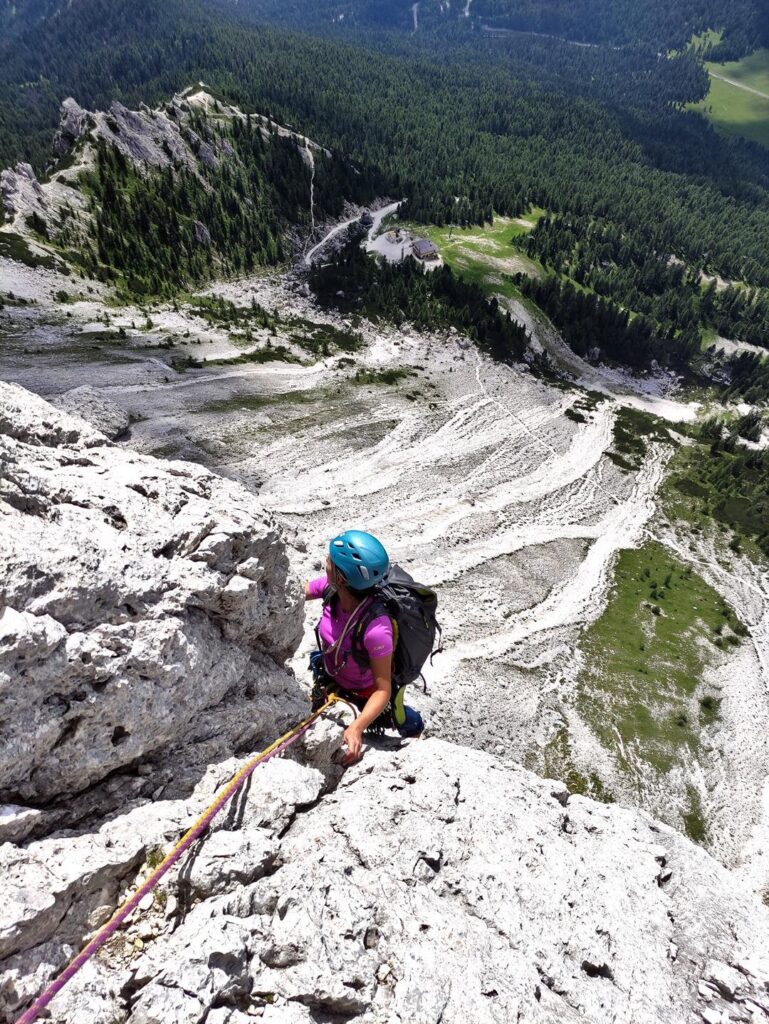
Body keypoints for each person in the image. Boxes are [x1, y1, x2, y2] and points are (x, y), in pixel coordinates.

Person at [306, 530, 424, 765]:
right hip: (331, 676)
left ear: (341, 577)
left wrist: (357, 728)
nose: (325, 563)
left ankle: (417, 739)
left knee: (408, 721)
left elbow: (383, 690)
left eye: (330, 561)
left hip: (364, 693)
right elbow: (295, 592)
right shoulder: (331, 590)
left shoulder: (376, 629)